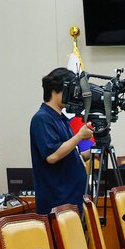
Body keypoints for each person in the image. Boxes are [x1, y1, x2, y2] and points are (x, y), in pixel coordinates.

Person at [30, 68, 93, 216]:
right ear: (55, 90)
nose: (74, 96)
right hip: (59, 201)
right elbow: (52, 156)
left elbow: (72, 154)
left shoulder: (61, 119)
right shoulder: (42, 118)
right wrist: (78, 137)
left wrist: (93, 151)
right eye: (70, 90)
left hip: (73, 197)